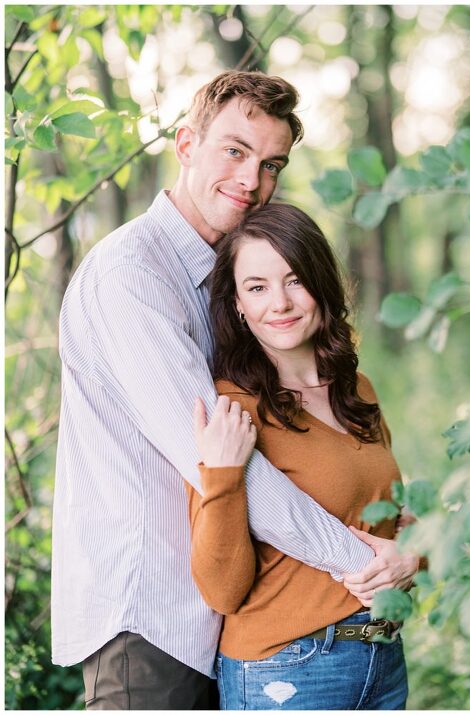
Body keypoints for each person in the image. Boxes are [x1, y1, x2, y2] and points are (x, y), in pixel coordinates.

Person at [51, 70, 419, 710]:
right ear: (186, 143)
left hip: (231, 618)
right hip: (151, 617)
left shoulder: (228, 278)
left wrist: (406, 547)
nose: (252, 180)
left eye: (271, 163)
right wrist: (366, 567)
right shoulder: (131, 276)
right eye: (234, 151)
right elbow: (220, 462)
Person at [187, 203, 422, 710]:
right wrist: (224, 472)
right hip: (288, 671)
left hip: (383, 658)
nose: (280, 302)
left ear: (321, 284)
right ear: (237, 307)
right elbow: (222, 591)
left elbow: (395, 518)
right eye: (257, 287)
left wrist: (412, 556)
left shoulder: (357, 390)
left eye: (295, 279)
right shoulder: (232, 410)